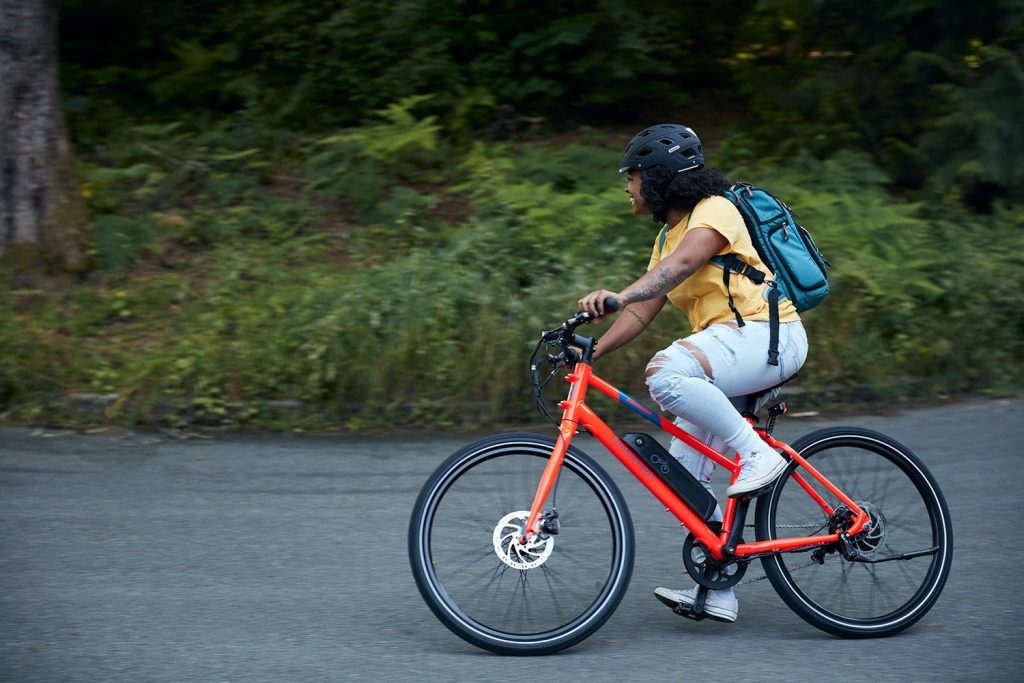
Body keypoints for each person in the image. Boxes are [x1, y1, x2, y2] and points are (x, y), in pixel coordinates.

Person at [577, 123, 809, 624]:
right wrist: (592, 350)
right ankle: (718, 589)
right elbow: (642, 312)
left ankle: (755, 456)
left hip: (768, 337)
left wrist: (620, 293)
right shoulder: (667, 236)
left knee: (665, 371)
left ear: (659, 177)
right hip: (727, 351)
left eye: (633, 176)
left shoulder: (716, 209)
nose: (628, 186)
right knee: (683, 482)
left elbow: (684, 265)